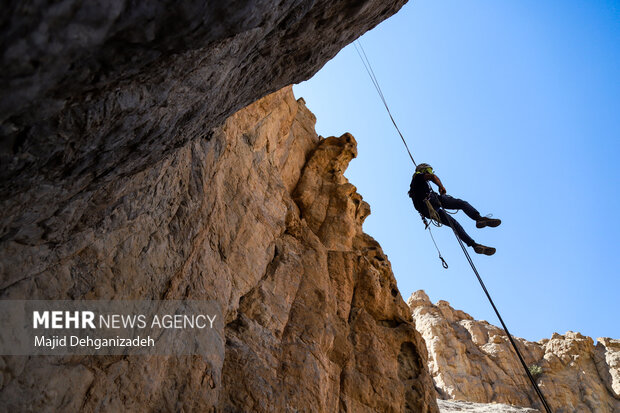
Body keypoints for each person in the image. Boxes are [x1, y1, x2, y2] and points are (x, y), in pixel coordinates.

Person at [408, 163, 501, 256]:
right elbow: (433, 177)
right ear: (425, 170)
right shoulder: (418, 177)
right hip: (432, 201)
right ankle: (478, 219)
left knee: (454, 225)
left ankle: (474, 245)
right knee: (462, 204)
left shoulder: (415, 187)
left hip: (429, 211)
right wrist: (441, 186)